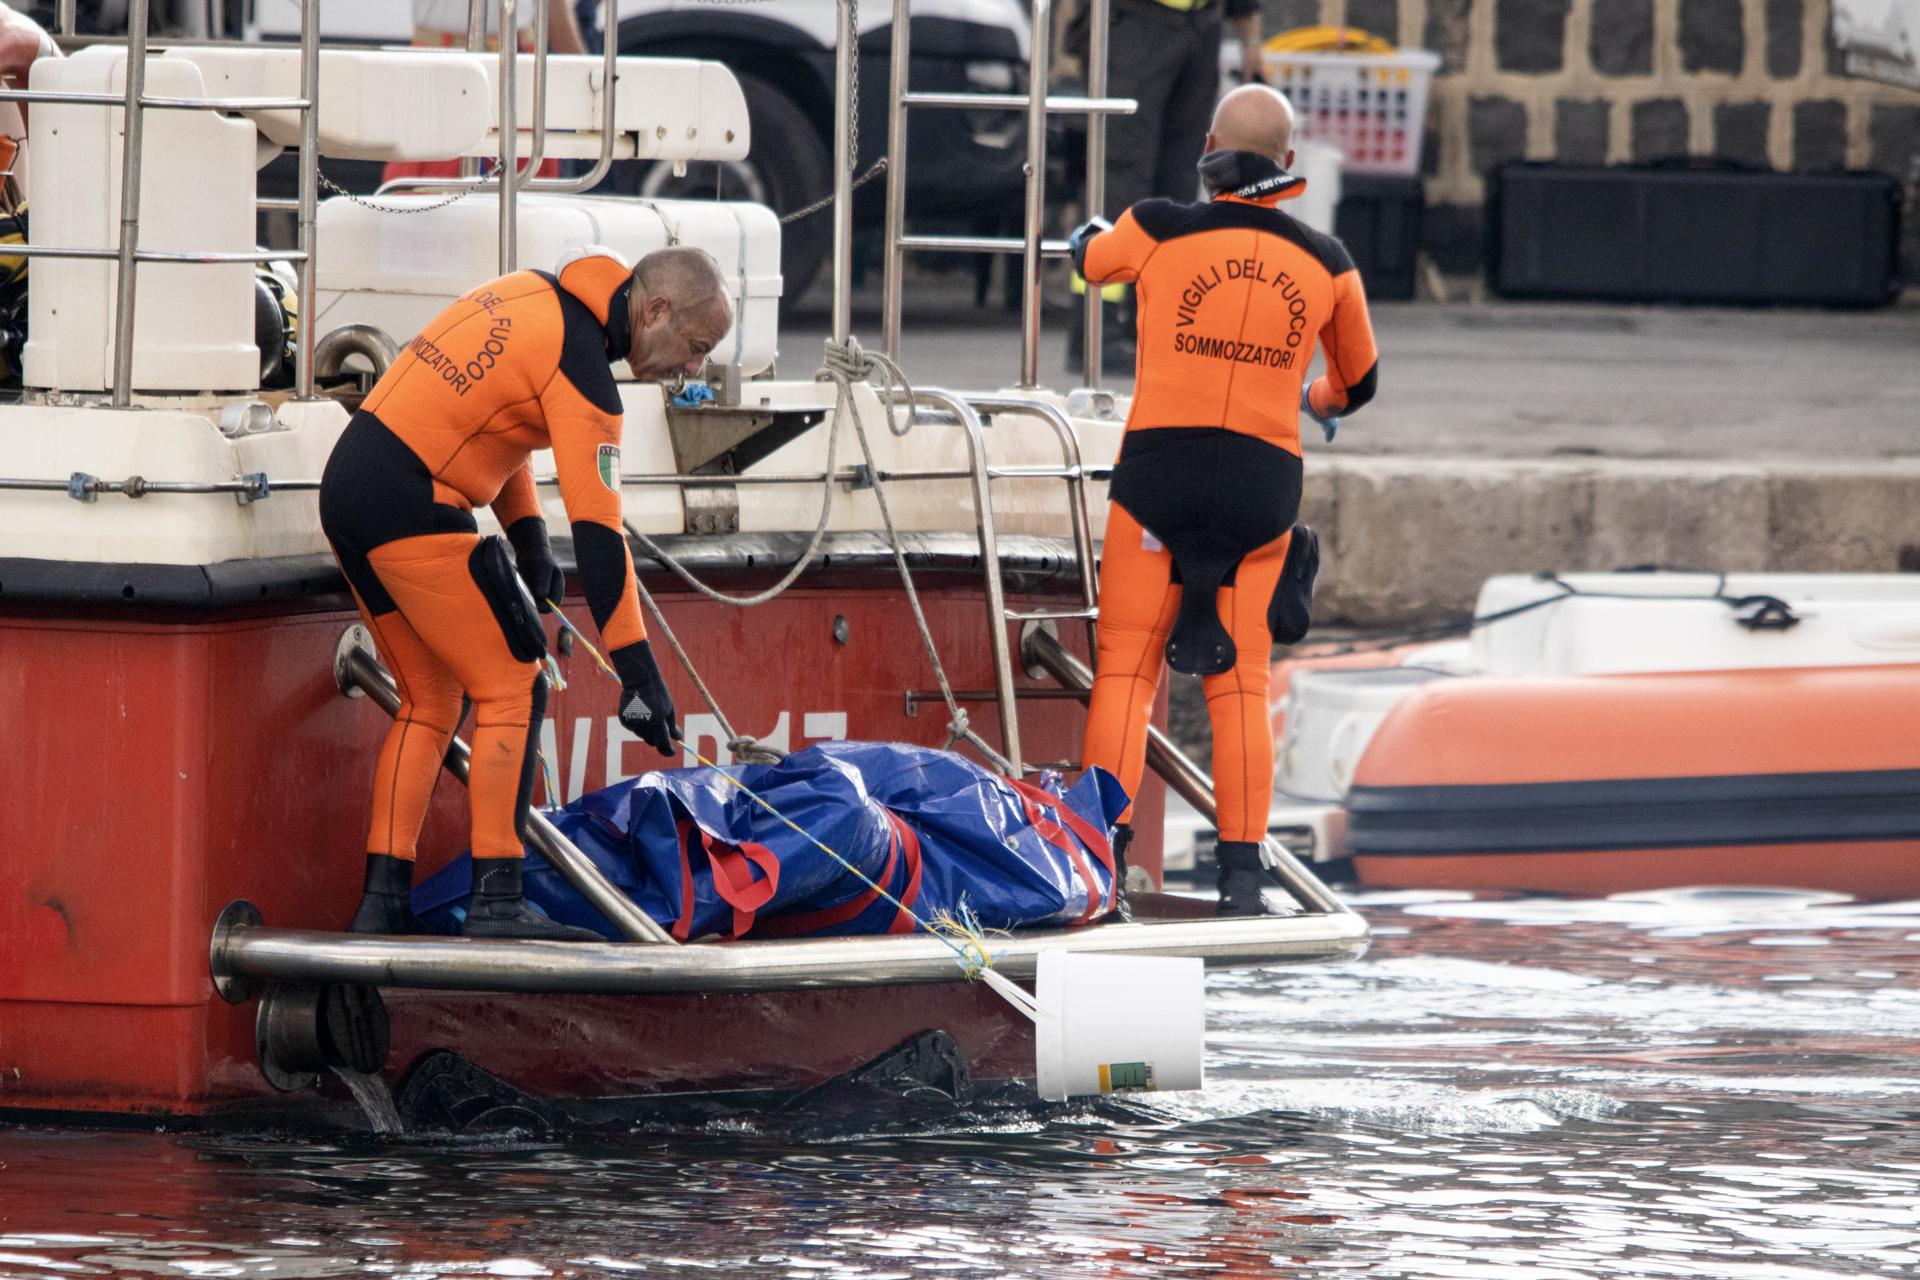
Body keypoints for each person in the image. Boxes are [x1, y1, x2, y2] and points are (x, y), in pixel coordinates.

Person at [320, 245, 734, 940]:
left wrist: (529, 538)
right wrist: (638, 671)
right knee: (515, 686)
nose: (693, 370)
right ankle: (498, 901)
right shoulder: (586, 376)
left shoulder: (533, 296)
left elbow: (496, 418)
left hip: (351, 486)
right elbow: (601, 537)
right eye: (696, 349)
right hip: (411, 501)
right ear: (656, 311)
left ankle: (381, 904)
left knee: (431, 702)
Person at [1073, 84, 1377, 916]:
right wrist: (1314, 399)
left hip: (1158, 476)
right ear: (1289, 162)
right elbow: (1358, 382)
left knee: (1126, 672)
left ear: (1208, 148)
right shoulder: (1329, 262)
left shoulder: (1157, 226)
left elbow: (1091, 264)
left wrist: (1086, 239)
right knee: (1241, 684)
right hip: (1259, 488)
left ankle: (1102, 868)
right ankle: (1243, 880)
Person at [1062, 0, 1264, 373]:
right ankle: (1094, 330)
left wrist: (1250, 38)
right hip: (1133, 22)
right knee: (1117, 182)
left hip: (1201, 25)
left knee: (1177, 190)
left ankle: (1156, 326)